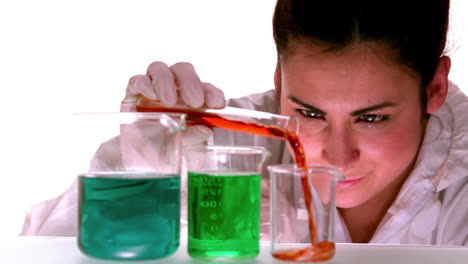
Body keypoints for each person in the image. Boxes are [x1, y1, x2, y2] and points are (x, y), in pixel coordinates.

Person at [21, 0, 468, 245]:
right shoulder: (216, 141)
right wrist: (141, 179)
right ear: (278, 83)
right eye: (309, 113)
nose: (336, 155)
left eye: (372, 118)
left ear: (434, 88)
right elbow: (35, 249)